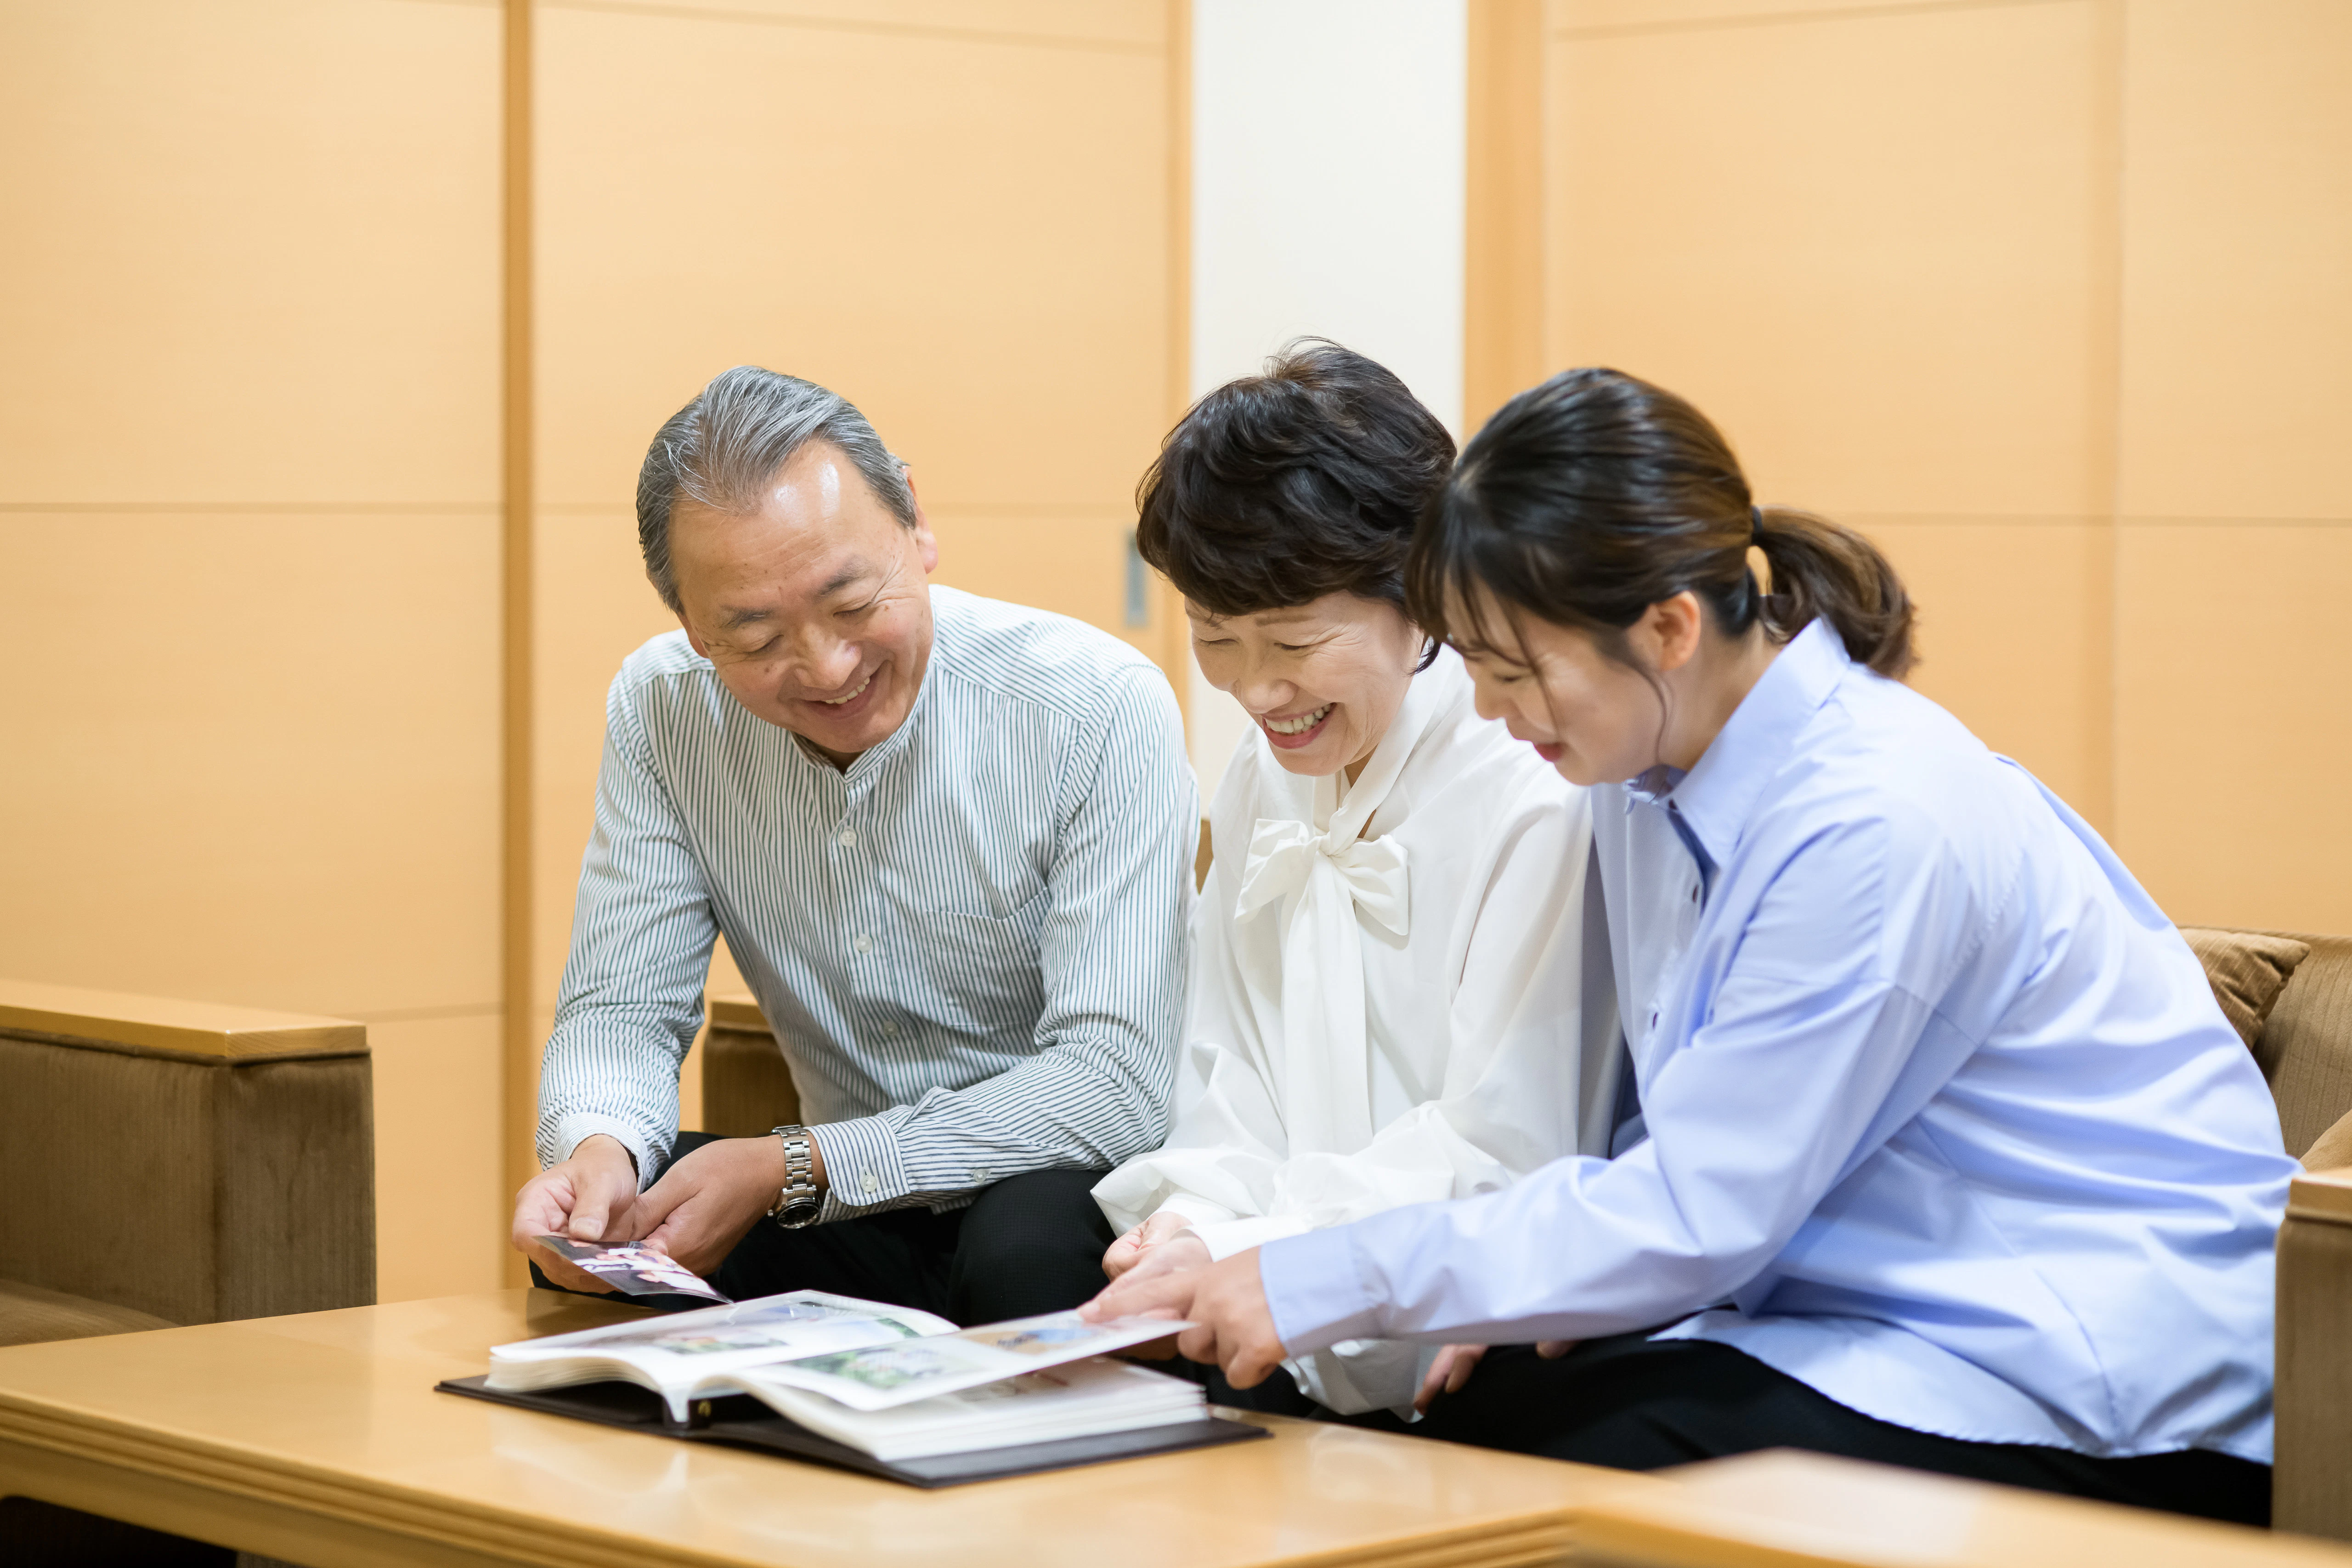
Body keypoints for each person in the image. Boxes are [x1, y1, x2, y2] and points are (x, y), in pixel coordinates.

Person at [1086, 367, 2298, 1524]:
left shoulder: (1872, 817)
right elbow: (1666, 1142)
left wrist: (1320, 1274)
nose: (1496, 712)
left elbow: (1700, 1207)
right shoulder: (1645, 775)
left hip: (2087, 1359)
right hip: (1848, 1313)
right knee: (1463, 1410)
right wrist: (1510, 1283)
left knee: (1545, 1464)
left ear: (1667, 627)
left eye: (1515, 669)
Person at [511, 365, 1197, 1325]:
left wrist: (798, 1162)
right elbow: (623, 1005)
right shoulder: (665, 708)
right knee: (607, 1243)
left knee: (1023, 1254)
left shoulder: (1092, 704)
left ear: (914, 520)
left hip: (1070, 1186)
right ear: (689, 625)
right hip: (844, 1200)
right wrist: (597, 1152)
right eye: (754, 638)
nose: (826, 668)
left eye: (850, 603)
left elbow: (1111, 1086)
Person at [1089, 342, 1618, 1419]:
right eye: (1215, 638)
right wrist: (1194, 1219)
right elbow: (1224, 1066)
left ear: (1418, 593)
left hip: (1477, 1296)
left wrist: (1250, 1246)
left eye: (1294, 639)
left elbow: (1502, 1146)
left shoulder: (1531, 788)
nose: (1255, 688)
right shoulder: (1262, 779)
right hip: (1272, 1285)